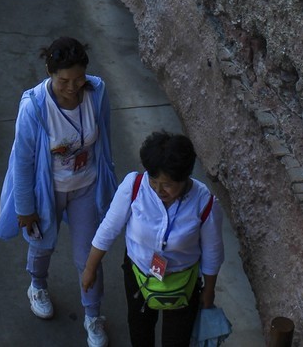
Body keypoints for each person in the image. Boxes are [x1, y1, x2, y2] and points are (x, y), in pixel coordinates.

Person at [0, 37, 116, 347]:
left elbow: (104, 142)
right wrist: (25, 208)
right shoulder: (34, 107)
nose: (73, 87)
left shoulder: (98, 92)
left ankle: (93, 315)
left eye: (79, 79)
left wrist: (108, 187)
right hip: (48, 191)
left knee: (88, 255)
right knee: (42, 244)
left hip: (86, 187)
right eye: (64, 80)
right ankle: (37, 285)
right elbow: (23, 162)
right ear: (50, 73)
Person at [82, 130, 223, 347]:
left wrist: (209, 290)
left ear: (184, 177)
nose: (158, 190)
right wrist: (90, 267)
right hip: (138, 275)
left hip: (182, 284)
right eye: (153, 180)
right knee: (140, 331)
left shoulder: (204, 203)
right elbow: (108, 229)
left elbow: (213, 252)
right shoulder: (134, 186)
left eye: (167, 184)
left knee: (176, 341)